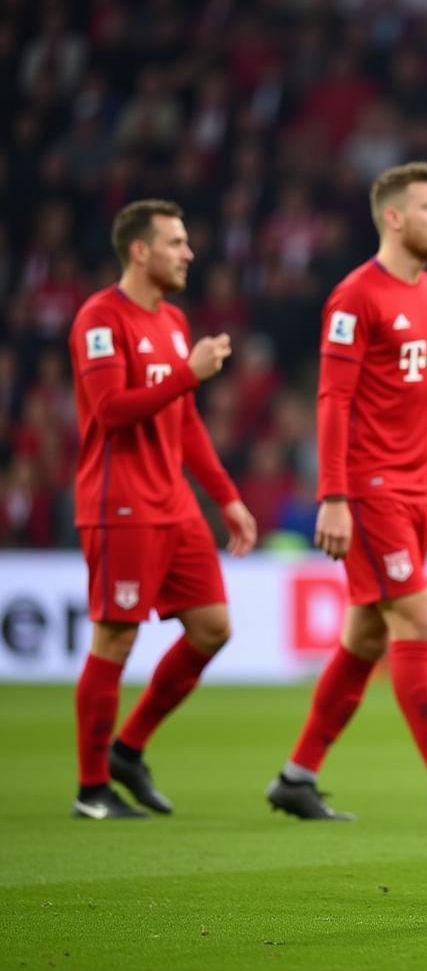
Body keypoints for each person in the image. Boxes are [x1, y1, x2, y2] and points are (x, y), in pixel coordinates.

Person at [265, 162, 427, 826]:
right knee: (416, 621)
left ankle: (296, 776)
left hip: (411, 486)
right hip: (367, 491)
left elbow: (419, 406)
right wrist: (333, 496)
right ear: (393, 217)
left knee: (366, 635)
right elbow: (333, 400)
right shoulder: (354, 298)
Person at [69, 199, 257, 819]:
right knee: (115, 637)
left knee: (212, 628)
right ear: (140, 251)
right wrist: (187, 373)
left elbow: (184, 425)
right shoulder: (100, 319)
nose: (188, 253)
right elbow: (109, 412)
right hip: (119, 503)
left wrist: (226, 497)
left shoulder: (174, 321)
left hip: (175, 506)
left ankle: (129, 746)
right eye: (176, 243)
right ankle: (92, 789)